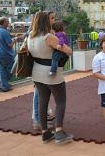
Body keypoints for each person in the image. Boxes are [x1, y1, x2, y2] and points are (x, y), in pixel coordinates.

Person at [28, 12, 73, 144]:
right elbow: (68, 51)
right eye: (51, 19)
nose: (53, 21)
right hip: (51, 73)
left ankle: (45, 133)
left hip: (36, 72)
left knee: (43, 101)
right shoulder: (48, 37)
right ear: (45, 21)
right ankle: (59, 131)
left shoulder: (30, 36)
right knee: (60, 101)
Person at [0, 17, 18, 92]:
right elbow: (10, 44)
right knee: (12, 69)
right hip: (6, 54)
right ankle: (4, 83)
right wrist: (15, 39)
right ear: (3, 23)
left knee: (2, 70)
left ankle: (4, 84)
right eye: (7, 21)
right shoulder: (4, 31)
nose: (8, 23)